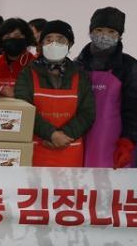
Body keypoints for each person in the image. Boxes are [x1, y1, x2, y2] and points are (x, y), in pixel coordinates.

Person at [15, 20, 95, 167]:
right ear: (41, 44)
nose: (54, 44)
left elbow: (87, 113)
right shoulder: (27, 74)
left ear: (70, 44)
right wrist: (51, 134)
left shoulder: (80, 75)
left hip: (69, 150)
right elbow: (24, 110)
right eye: (49, 39)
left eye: (60, 40)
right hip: (36, 150)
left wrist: (65, 135)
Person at [76, 7, 137, 168]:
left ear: (120, 35)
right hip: (77, 139)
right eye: (99, 30)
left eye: (111, 31)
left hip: (113, 143)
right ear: (90, 32)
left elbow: (135, 108)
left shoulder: (129, 66)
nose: (104, 35)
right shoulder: (77, 65)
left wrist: (127, 141)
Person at [0, 18, 37, 97]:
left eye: (17, 36)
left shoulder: (34, 63)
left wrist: (17, 93)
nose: (12, 39)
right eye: (7, 37)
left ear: (26, 38)